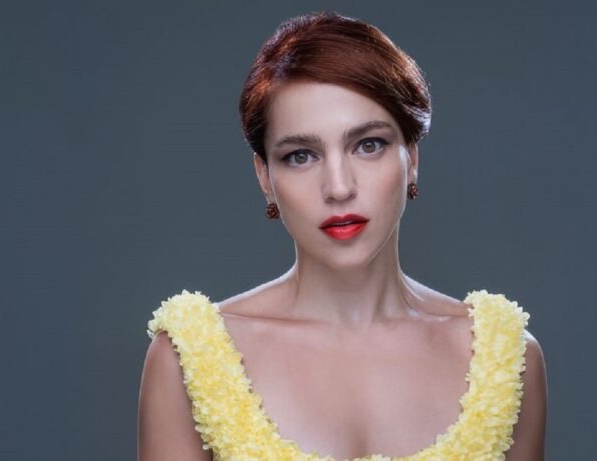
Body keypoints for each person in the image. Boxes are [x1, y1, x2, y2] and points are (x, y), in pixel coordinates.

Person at [138, 10, 547, 461]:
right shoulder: (189, 359)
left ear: (411, 157)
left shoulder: (505, 360)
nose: (338, 187)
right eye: (300, 155)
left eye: (368, 145)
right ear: (264, 176)